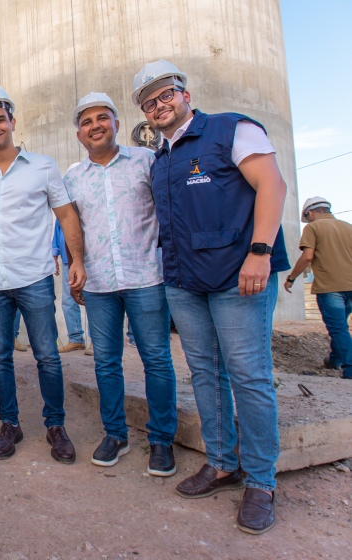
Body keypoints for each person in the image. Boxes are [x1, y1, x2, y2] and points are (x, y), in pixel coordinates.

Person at [133, 59, 290, 534]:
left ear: (183, 93)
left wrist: (260, 252)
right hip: (184, 281)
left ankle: (261, 481)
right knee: (204, 372)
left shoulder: (229, 129)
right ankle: (223, 463)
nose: (159, 106)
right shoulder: (160, 159)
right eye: (148, 102)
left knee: (249, 375)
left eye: (166, 95)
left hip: (238, 279)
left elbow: (273, 185)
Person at [0, 86, 86, 464]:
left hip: (34, 277)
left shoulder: (43, 166)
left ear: (12, 122)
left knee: (47, 356)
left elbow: (67, 215)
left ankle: (55, 425)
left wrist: (77, 261)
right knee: (0, 358)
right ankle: (10, 424)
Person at [65, 92, 178, 476]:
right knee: (106, 362)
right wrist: (74, 266)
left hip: (147, 277)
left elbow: (170, 213)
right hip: (98, 283)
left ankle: (161, 440)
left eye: (102, 118)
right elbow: (71, 227)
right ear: (79, 134)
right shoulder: (73, 177)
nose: (95, 125)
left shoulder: (147, 161)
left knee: (157, 360)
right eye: (86, 122)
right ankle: (115, 433)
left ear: (116, 122)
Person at [285, 197, 352, 379]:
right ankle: (334, 360)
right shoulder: (348, 226)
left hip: (330, 287)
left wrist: (291, 278)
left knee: (338, 328)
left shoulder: (313, 227)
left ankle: (350, 368)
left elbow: (307, 257)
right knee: (341, 327)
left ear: (310, 213)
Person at [52, 220, 85, 352]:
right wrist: (54, 254)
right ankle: (75, 339)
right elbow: (58, 230)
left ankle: (96, 341)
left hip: (89, 258)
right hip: (67, 260)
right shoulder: (62, 203)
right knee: (67, 301)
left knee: (94, 300)